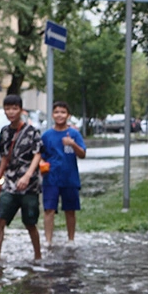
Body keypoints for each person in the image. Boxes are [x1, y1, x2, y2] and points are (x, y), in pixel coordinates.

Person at [0, 94, 43, 262]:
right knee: (0, 219)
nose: (11, 112)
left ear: (21, 110)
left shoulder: (32, 131)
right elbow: (4, 157)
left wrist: (28, 176)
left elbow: (37, 155)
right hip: (10, 182)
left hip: (30, 184)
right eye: (7, 109)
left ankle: (37, 256)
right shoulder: (5, 132)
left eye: (14, 108)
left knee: (30, 222)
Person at [40, 101, 87, 245]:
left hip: (69, 178)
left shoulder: (74, 134)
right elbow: (40, 155)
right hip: (51, 178)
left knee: (70, 210)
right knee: (49, 209)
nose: (59, 115)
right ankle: (48, 240)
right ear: (52, 115)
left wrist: (72, 144)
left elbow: (83, 154)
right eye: (56, 112)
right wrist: (42, 164)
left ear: (68, 115)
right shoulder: (47, 135)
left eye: (62, 112)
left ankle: (71, 239)